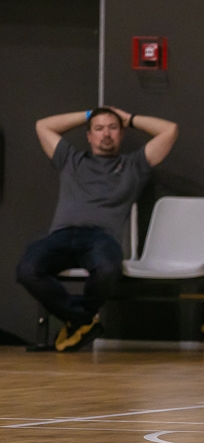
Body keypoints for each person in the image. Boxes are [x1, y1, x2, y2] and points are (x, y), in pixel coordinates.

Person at [16, 107, 178, 352]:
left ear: (121, 133)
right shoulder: (70, 159)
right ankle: (82, 319)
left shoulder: (134, 165)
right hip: (61, 235)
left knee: (107, 269)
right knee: (27, 269)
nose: (106, 134)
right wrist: (89, 114)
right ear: (89, 136)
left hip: (101, 238)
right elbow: (43, 126)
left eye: (113, 128)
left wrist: (129, 119)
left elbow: (170, 130)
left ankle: (79, 320)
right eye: (99, 128)